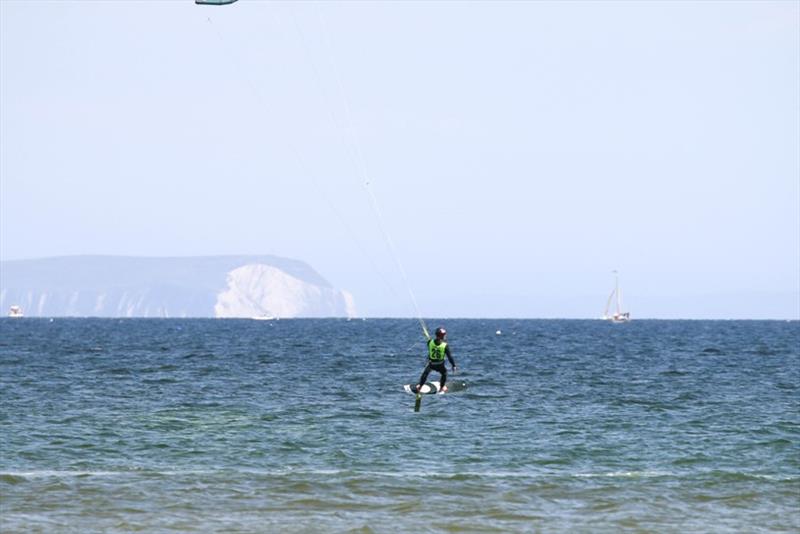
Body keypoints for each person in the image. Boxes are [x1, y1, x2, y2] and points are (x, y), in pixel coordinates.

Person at [416, 327, 456, 393]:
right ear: (442, 336)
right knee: (444, 373)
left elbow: (430, 343)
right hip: (440, 365)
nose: (445, 336)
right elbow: (450, 357)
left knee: (425, 373)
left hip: (432, 364)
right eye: (444, 335)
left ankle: (420, 386)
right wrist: (453, 365)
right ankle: (441, 388)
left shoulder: (430, 342)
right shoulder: (445, 345)